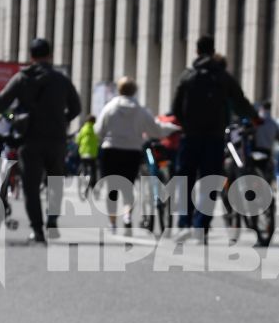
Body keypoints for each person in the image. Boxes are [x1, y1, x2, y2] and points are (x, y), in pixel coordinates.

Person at [0, 36, 82, 244]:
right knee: (55, 181)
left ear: (31, 56)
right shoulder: (61, 80)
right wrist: (62, 120)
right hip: (56, 139)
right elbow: (77, 107)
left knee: (31, 186)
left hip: (30, 139)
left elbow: (2, 101)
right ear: (50, 55)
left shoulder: (22, 78)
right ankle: (52, 221)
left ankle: (37, 230)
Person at [170, 35, 254, 238]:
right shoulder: (222, 76)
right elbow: (240, 101)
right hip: (214, 137)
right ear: (212, 50)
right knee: (210, 179)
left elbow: (176, 107)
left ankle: (184, 221)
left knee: (185, 178)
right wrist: (254, 118)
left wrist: (185, 124)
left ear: (196, 51)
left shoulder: (187, 75)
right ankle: (201, 225)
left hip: (190, 136)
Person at [93, 77, 175, 232]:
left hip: (111, 150)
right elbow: (155, 130)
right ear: (135, 91)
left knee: (112, 187)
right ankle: (127, 215)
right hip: (132, 151)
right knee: (128, 186)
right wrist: (171, 128)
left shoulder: (109, 107)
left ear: (119, 90)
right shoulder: (141, 110)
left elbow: (99, 130)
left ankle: (112, 222)